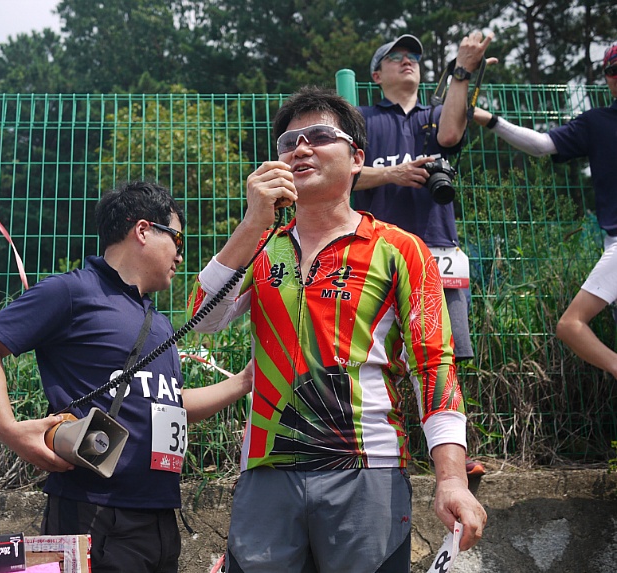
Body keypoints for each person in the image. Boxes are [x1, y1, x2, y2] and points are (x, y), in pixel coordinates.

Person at [187, 86, 486, 572]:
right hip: (266, 470)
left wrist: (449, 477)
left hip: (369, 469)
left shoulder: (400, 249)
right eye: (288, 142)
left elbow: (434, 365)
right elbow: (203, 319)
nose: (301, 148)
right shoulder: (261, 247)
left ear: (356, 160)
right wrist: (251, 224)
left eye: (319, 135)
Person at [0, 180, 253, 573]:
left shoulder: (161, 324)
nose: (181, 255)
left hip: (160, 514)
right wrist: (9, 429)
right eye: (177, 239)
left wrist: (243, 382)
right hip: (94, 512)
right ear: (144, 230)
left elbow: (169, 403)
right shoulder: (72, 292)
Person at [352, 32, 496, 476]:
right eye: (395, 57)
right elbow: (343, 176)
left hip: (438, 248)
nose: (408, 61)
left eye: (413, 55)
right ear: (377, 75)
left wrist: (462, 70)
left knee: (442, 352)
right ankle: (391, 447)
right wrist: (391, 173)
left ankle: (450, 454)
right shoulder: (361, 118)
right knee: (379, 351)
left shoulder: (437, 115)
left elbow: (451, 134)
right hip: (379, 247)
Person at [472, 43, 617, 378]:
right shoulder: (597, 123)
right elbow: (541, 145)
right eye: (612, 69)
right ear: (606, 78)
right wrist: (490, 119)